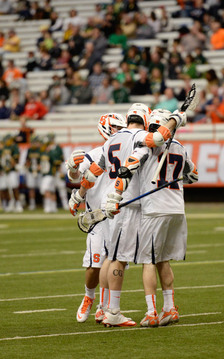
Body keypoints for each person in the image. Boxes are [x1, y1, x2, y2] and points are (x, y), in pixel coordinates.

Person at [69, 104, 187, 327]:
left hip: (113, 201)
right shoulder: (142, 135)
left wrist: (79, 196)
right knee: (121, 259)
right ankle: (113, 311)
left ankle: (104, 308)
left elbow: (94, 172)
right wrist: (176, 119)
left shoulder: (110, 141)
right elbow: (160, 139)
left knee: (111, 255)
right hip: (130, 202)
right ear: (144, 119)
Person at [106, 109, 198, 327]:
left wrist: (116, 195)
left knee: (148, 260)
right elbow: (193, 176)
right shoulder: (181, 148)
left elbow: (127, 168)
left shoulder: (147, 146)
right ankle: (170, 308)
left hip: (154, 209)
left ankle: (151, 312)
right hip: (177, 209)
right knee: (163, 259)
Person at [66, 113, 127, 323]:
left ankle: (105, 308)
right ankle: (89, 297)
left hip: (119, 213)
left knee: (115, 262)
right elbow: (77, 177)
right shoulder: (94, 154)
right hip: (98, 217)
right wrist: (72, 167)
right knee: (94, 265)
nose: (120, 130)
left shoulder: (129, 151)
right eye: (116, 127)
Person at [0, 134, 23, 212]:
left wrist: (9, 159)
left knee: (14, 187)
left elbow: (16, 160)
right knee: (5, 188)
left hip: (12, 170)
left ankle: (18, 204)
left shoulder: (14, 147)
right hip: (4, 171)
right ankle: (10, 203)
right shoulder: (2, 148)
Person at [25, 135, 41, 210]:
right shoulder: (29, 150)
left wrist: (40, 166)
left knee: (43, 188)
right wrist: (28, 166)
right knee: (31, 188)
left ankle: (45, 203)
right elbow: (27, 160)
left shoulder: (40, 150)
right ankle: (32, 204)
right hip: (31, 171)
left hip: (40, 171)